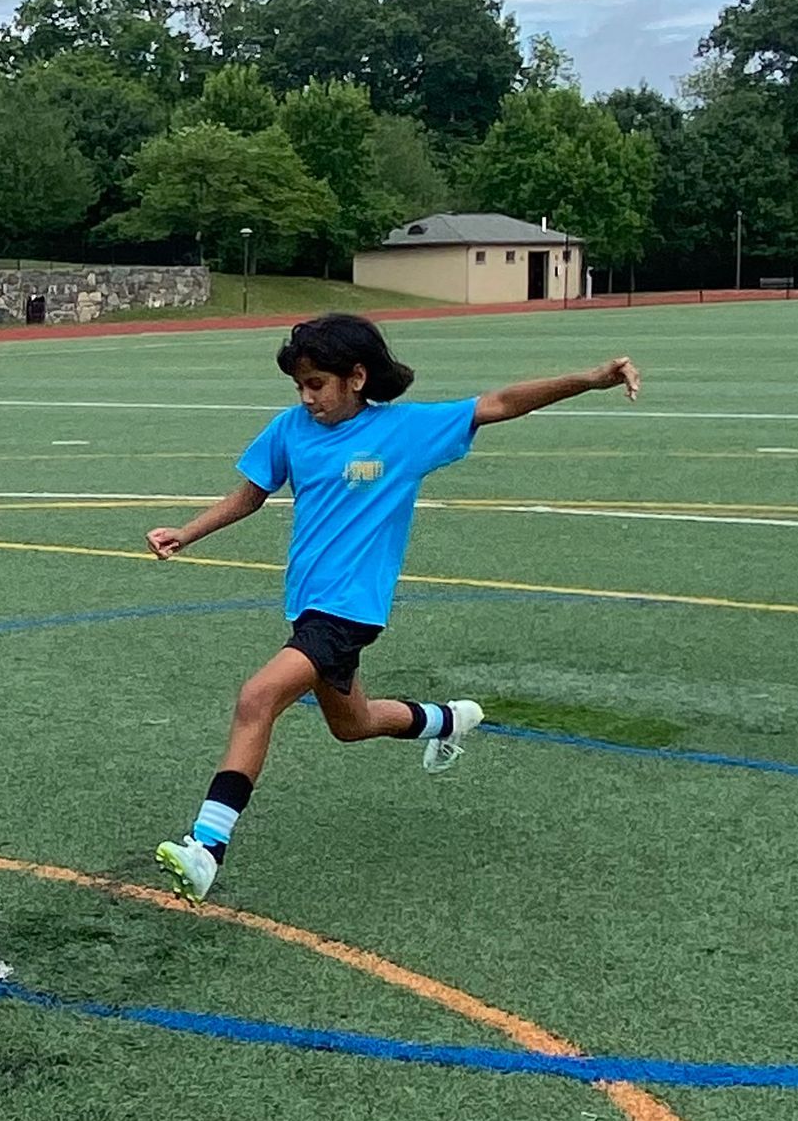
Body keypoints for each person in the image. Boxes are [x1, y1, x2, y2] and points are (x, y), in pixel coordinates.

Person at [147, 313, 640, 901]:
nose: (307, 398)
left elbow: (502, 402)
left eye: (317, 385)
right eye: (299, 386)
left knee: (257, 698)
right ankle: (448, 720)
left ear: (357, 377)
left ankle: (207, 848)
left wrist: (590, 378)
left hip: (350, 609)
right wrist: (188, 531)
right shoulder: (289, 430)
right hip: (308, 607)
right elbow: (251, 494)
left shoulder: (406, 431)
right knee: (351, 725)